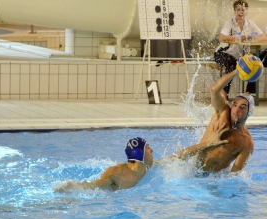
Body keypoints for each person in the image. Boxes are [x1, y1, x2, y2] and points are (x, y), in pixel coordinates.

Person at [55, 134, 228, 192]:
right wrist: (71, 187)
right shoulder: (116, 173)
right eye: (148, 148)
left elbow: (180, 155)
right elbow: (93, 187)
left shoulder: (150, 168)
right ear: (139, 154)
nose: (152, 150)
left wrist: (206, 144)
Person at [170, 70, 254, 173]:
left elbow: (234, 175)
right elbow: (214, 89)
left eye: (242, 107)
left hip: (213, 180)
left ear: (249, 112)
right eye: (235, 105)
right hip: (193, 172)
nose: (236, 110)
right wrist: (237, 71)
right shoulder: (222, 113)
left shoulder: (246, 142)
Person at [216, 0, 267, 98]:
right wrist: (234, 38)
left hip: (240, 55)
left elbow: (264, 37)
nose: (240, 12)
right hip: (224, 52)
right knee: (230, 62)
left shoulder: (250, 23)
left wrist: (248, 38)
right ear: (234, 12)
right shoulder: (230, 22)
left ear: (246, 12)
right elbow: (221, 37)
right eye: (238, 10)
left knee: (255, 63)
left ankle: (248, 93)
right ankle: (224, 94)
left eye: (242, 10)